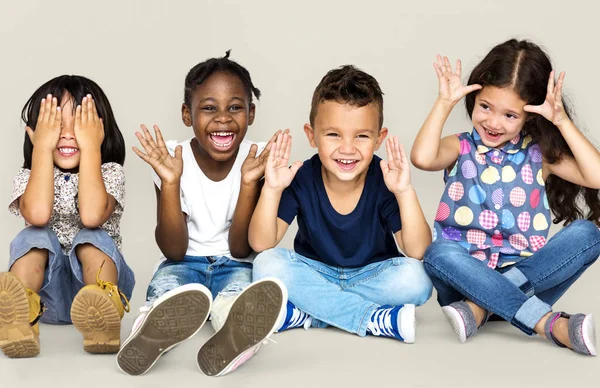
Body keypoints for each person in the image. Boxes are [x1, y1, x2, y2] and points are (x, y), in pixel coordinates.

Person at [411, 39, 600, 356]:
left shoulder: (540, 156)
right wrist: (443, 103)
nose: (493, 122)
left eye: (510, 115)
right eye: (485, 107)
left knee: (589, 234)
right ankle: (547, 323)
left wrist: (562, 121)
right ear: (474, 98)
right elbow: (423, 158)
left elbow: (596, 176)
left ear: (530, 115)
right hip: (462, 280)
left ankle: (481, 308)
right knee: (437, 253)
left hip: (530, 276)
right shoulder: (461, 146)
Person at [117, 51, 287, 377]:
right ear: (187, 113)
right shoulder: (170, 157)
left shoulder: (260, 158)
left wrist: (251, 183)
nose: (223, 118)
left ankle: (234, 337)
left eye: (235, 107)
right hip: (182, 263)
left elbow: (241, 248)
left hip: (236, 263)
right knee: (166, 291)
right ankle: (147, 334)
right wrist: (170, 182)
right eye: (209, 108)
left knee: (240, 301)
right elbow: (173, 249)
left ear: (251, 113)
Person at [250, 65, 433, 343]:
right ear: (312, 136)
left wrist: (405, 191)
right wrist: (272, 189)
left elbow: (417, 250)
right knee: (265, 265)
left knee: (417, 279)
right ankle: (373, 319)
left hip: (371, 275)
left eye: (361, 136)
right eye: (333, 134)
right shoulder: (301, 178)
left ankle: (310, 313)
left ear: (378, 139)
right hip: (315, 272)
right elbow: (262, 244)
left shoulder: (385, 179)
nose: (347, 148)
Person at [0, 76, 135, 358]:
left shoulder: (109, 172)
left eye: (80, 125)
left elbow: (92, 215)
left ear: (100, 130)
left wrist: (91, 149)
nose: (68, 134)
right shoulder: (27, 177)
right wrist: (42, 150)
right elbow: (37, 215)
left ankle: (104, 313)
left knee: (91, 237)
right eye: (56, 125)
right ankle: (19, 316)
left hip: (95, 291)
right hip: (46, 297)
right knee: (33, 236)